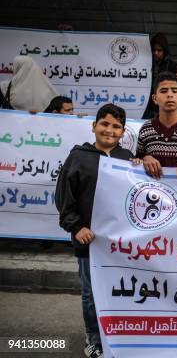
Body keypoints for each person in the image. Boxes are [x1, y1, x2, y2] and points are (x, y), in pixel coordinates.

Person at [55, 104, 134, 358]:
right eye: (105, 124)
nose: (109, 130)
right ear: (94, 126)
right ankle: (94, 340)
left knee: (119, 292)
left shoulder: (128, 159)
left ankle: (119, 338)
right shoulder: (78, 157)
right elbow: (63, 198)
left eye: (116, 126)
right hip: (89, 242)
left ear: (122, 132)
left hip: (120, 246)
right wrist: (76, 227)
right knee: (91, 294)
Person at [143, 33, 177, 119]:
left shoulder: (172, 66)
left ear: (164, 51)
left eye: (159, 50)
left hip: (163, 108)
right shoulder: (145, 64)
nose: (155, 53)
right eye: (153, 50)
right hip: (146, 107)